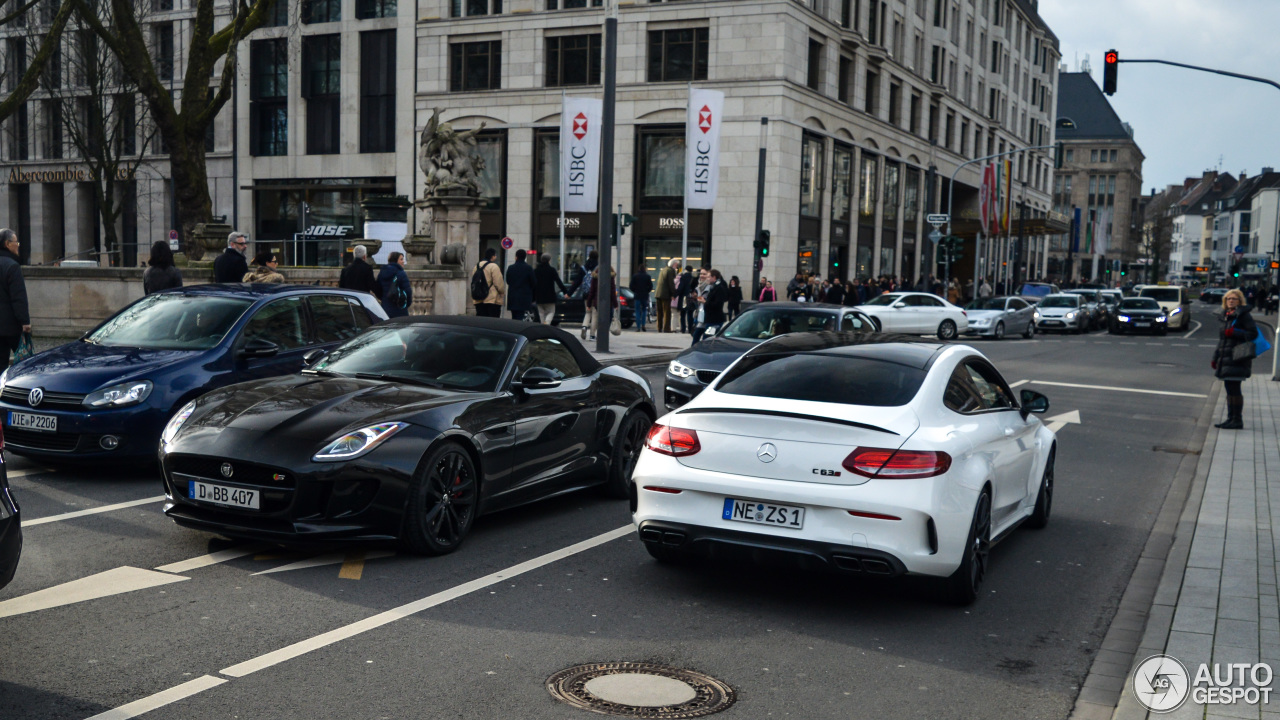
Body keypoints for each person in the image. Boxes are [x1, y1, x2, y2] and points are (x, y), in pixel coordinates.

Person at [1211, 289, 1258, 430]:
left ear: (1240, 301)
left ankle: (1237, 420)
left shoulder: (1243, 316)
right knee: (1229, 389)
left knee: (1234, 389)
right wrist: (1216, 357)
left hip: (1237, 358)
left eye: (1234, 299)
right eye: (1228, 299)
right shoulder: (1227, 316)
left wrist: (1235, 332)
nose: (1230, 301)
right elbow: (1222, 340)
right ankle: (1230, 418)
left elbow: (1253, 333)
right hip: (1226, 358)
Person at [0, 229, 30, 372]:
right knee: (25, 363)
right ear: (7, 244)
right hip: (11, 325)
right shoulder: (12, 266)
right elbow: (18, 297)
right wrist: (25, 322)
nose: (18, 245)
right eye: (15, 242)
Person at [582, 268, 617, 341]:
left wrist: (588, 304)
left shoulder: (595, 277)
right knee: (603, 319)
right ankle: (599, 335)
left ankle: (591, 335)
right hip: (607, 302)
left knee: (594, 316)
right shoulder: (610, 277)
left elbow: (592, 291)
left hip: (597, 301)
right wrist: (615, 304)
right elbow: (613, 291)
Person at [534, 254, 569, 325]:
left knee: (541, 313)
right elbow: (558, 282)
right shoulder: (552, 270)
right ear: (549, 260)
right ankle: (547, 323)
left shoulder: (536, 270)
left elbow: (532, 283)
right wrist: (566, 292)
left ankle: (543, 327)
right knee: (551, 312)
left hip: (539, 296)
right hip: (550, 296)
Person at [695, 269, 728, 344]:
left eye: (709, 277)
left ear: (714, 277)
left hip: (714, 320)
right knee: (701, 336)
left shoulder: (719, 288)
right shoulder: (713, 287)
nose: (707, 278)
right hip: (709, 319)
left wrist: (705, 302)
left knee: (707, 338)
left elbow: (717, 304)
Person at [377, 251, 412, 318]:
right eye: (401, 259)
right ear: (395, 260)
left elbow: (378, 289)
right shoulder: (401, 273)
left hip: (385, 308)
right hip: (400, 309)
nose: (403, 261)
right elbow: (408, 292)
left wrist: (384, 299)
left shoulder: (382, 273)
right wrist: (405, 304)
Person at [505, 249, 536, 321]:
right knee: (521, 316)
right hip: (524, 297)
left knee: (514, 316)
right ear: (525, 257)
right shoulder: (528, 268)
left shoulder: (511, 268)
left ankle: (513, 330)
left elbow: (508, 281)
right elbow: (533, 282)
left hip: (513, 296)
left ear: (516, 257)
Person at [473, 248, 505, 318]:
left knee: (481, 321)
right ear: (493, 256)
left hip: (479, 298)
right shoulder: (494, 266)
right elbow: (498, 283)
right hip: (491, 299)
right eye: (495, 255)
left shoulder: (477, 266)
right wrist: (502, 292)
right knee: (492, 322)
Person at [655, 259, 679, 333]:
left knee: (659, 312)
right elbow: (671, 283)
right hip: (665, 294)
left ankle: (659, 327)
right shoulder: (671, 271)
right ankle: (666, 328)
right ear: (674, 264)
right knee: (666, 312)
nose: (677, 266)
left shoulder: (663, 270)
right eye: (677, 265)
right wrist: (673, 293)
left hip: (658, 293)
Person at [630, 266, 653, 331]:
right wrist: (647, 291)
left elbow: (631, 286)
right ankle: (643, 324)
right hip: (645, 296)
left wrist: (635, 291)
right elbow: (651, 286)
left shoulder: (635, 276)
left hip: (637, 295)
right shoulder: (647, 276)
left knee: (637, 311)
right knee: (644, 310)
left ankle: (638, 326)